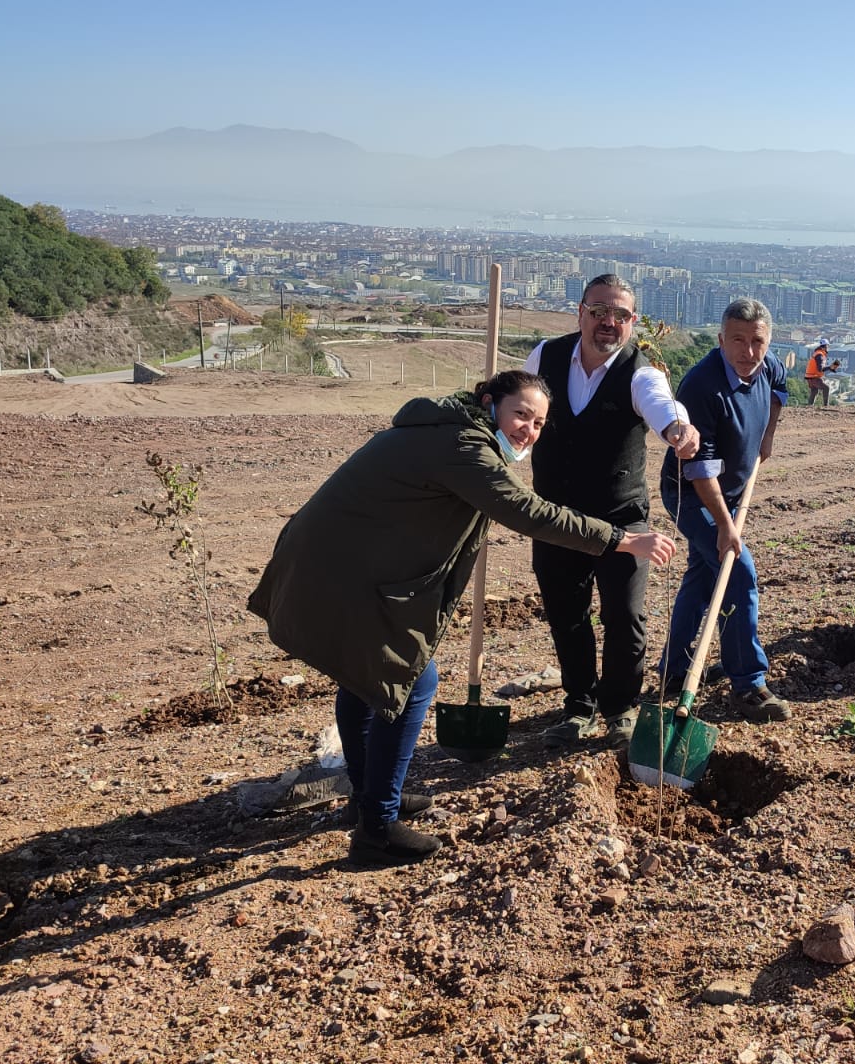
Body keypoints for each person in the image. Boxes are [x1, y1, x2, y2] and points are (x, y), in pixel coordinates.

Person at [247, 371, 676, 866]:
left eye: (538, 423)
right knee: (409, 681)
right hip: (339, 575)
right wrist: (622, 539)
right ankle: (378, 828)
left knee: (365, 681)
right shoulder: (461, 446)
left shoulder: (446, 430)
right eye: (520, 414)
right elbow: (525, 510)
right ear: (489, 403)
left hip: (333, 567)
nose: (528, 430)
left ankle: (367, 798)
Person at [524, 274, 701, 752]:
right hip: (556, 517)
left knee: (624, 617)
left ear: (633, 322)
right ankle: (579, 707)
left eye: (620, 315)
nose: (609, 322)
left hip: (623, 518)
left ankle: (620, 707)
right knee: (567, 615)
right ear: (580, 312)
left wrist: (678, 429)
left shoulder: (641, 372)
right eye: (599, 311)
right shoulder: (545, 356)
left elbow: (663, 405)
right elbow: (520, 409)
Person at [658, 297, 791, 722]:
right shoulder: (702, 386)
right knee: (738, 572)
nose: (748, 352)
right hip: (691, 495)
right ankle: (748, 683)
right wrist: (725, 526)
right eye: (738, 340)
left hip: (730, 492)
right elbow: (698, 468)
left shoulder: (766, 366)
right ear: (720, 340)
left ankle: (672, 672)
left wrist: (768, 435)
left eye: (757, 341)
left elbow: (780, 389)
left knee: (701, 580)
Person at [804, 337, 838, 407]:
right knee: (826, 388)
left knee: (814, 391)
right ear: (825, 346)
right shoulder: (820, 355)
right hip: (814, 376)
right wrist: (830, 368)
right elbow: (820, 369)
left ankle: (810, 406)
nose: (828, 348)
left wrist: (830, 368)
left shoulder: (817, 353)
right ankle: (826, 406)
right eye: (827, 346)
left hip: (809, 376)